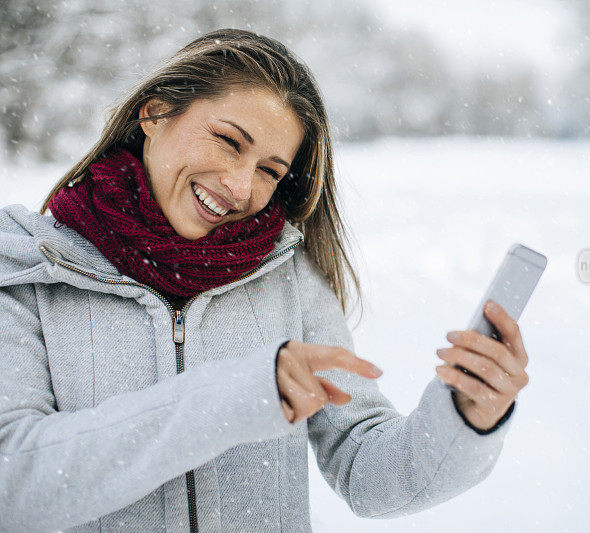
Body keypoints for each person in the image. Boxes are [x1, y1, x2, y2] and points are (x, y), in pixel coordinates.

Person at [0, 28, 531, 532]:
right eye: (229, 142)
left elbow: (366, 470)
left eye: (269, 171)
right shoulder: (30, 268)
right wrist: (229, 399)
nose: (239, 186)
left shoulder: (288, 277)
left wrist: (466, 416)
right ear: (155, 112)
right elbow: (15, 484)